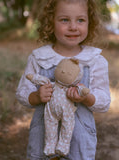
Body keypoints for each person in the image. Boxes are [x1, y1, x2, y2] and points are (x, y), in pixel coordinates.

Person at [16, 0, 111, 160]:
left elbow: (104, 101)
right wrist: (37, 96)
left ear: (90, 22)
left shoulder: (94, 60)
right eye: (64, 20)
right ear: (51, 22)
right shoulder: (39, 58)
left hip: (79, 140)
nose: (73, 27)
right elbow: (22, 93)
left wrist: (87, 97)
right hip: (43, 139)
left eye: (80, 20)